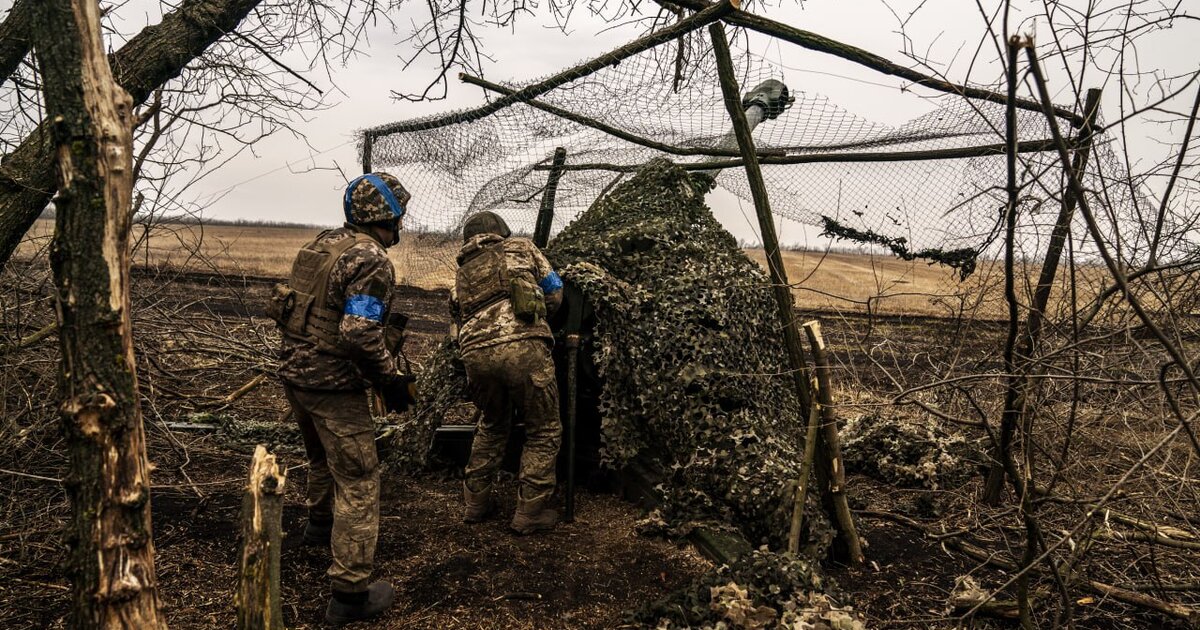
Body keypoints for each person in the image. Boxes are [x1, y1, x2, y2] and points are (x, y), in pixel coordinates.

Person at [270, 172, 416, 625]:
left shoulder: (322, 245)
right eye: (398, 215)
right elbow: (358, 333)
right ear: (388, 215)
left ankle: (318, 527)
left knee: (319, 458)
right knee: (358, 478)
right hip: (333, 385)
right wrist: (390, 380)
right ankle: (350, 594)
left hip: (296, 374)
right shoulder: (370, 259)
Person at [450, 211, 564, 534]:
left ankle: (475, 503)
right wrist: (538, 324)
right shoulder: (522, 248)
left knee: (492, 424)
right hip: (524, 349)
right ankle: (530, 512)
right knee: (543, 429)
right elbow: (555, 290)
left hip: (474, 356)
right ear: (501, 231)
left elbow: (456, 319)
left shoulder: (461, 276)